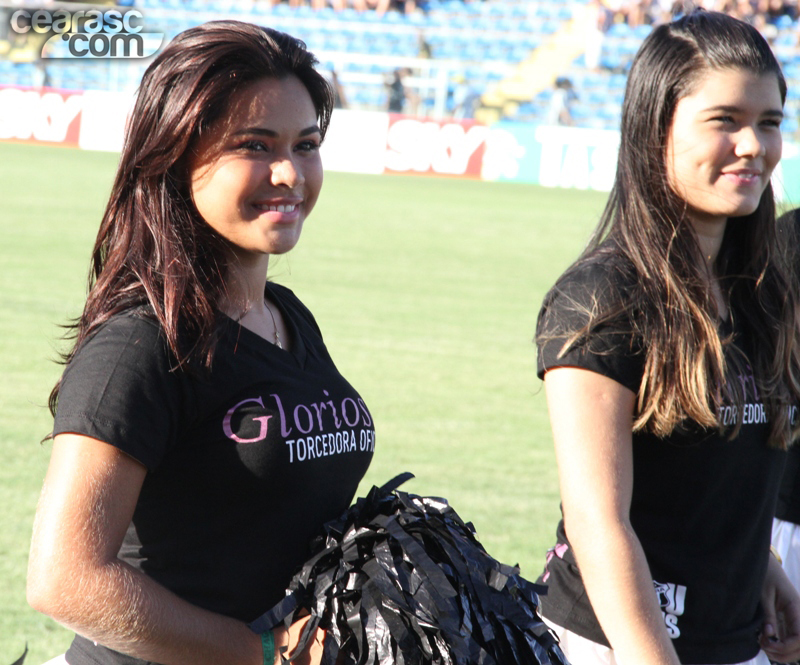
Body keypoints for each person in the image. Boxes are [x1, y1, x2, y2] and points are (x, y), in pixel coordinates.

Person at [26, 20, 375, 665]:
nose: (289, 173)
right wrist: (261, 650)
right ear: (176, 154)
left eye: (306, 145)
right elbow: (65, 579)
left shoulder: (287, 316)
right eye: (255, 145)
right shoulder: (140, 346)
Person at [534, 10, 800, 665]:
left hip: (736, 641)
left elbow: (721, 479)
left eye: (769, 122)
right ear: (657, 128)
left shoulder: (763, 290)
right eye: (725, 120)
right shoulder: (602, 297)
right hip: (618, 644)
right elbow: (599, 522)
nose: (752, 145)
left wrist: (760, 566)